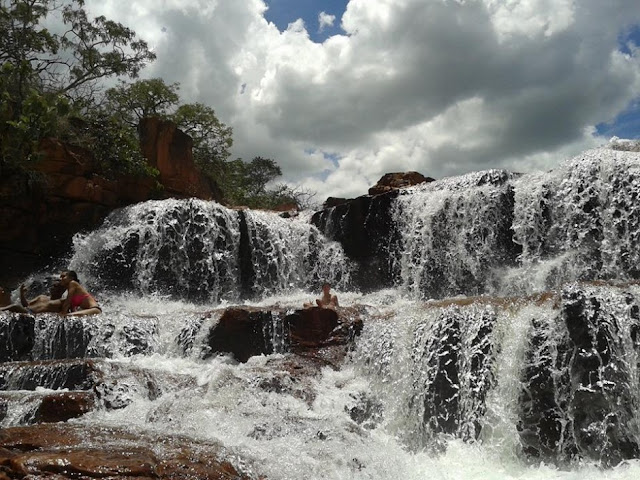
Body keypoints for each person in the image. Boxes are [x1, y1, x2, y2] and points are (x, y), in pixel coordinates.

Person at [0, 281, 65, 314]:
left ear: (61, 289)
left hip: (32, 314)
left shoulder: (60, 301)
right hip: (27, 310)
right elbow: (26, 304)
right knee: (14, 306)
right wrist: (22, 293)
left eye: (55, 286)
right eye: (52, 286)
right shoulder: (42, 297)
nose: (52, 288)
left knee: (15, 306)